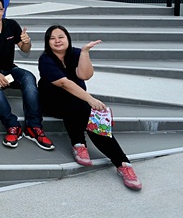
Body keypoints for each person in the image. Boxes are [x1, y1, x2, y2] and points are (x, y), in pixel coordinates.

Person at [38, 25, 142, 190]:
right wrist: (90, 99)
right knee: (77, 103)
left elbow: (85, 75)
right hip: (51, 103)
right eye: (52, 38)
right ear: (47, 42)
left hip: (77, 102)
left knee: (83, 109)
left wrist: (85, 53)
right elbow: (64, 83)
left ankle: (123, 164)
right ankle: (80, 143)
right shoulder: (45, 59)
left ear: (68, 38)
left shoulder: (76, 53)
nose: (57, 41)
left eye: (61, 37)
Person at [0, 0, 54, 150]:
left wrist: (27, 41)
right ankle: (12, 125)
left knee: (28, 77)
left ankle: (33, 126)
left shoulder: (11, 25)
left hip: (9, 70)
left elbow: (25, 49)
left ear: (3, 10)